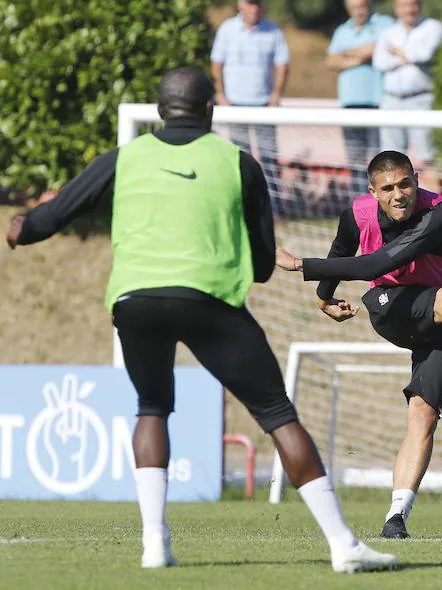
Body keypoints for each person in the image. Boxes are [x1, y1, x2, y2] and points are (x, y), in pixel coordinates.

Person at [5, 67, 396, 573]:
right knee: (277, 412)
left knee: (151, 407)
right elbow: (259, 268)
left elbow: (47, 219)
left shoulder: (123, 159)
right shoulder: (239, 163)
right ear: (211, 110)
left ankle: (154, 544)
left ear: (160, 110)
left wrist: (19, 227)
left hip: (136, 300)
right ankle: (343, 545)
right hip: (209, 299)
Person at [275, 150, 442, 540]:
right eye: (387, 188)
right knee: (440, 299)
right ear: (372, 191)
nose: (398, 194)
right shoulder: (357, 214)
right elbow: (348, 253)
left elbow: (374, 262)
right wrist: (323, 294)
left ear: (417, 180)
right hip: (392, 308)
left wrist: (303, 265)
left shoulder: (439, 215)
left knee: (423, 413)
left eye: (405, 184)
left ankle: (396, 517)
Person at [211, 0, 289, 203]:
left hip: (264, 105)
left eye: (257, 4)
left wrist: (276, 94)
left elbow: (282, 64)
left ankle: (273, 205)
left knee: (269, 157)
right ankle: (243, 201)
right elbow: (217, 63)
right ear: (240, 5)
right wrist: (220, 93)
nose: (254, 8)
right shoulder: (227, 30)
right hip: (235, 104)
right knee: (240, 155)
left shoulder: (273, 31)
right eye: (250, 4)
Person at [326, 0, 395, 195]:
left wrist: (347, 54)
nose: (359, 8)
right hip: (350, 104)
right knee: (355, 160)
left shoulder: (384, 24)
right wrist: (359, 57)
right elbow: (331, 60)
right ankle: (359, 203)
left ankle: (382, 202)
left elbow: (379, 47)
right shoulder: (342, 30)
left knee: (379, 159)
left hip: (377, 102)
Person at [372, 0, 442, 167]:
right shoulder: (388, 32)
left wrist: (397, 52)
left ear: (420, 5)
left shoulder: (433, 27)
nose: (409, 9)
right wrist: (406, 56)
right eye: (404, 4)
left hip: (421, 99)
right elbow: (379, 62)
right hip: (391, 100)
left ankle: (433, 194)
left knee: (426, 155)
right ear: (396, 8)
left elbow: (424, 54)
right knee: (390, 158)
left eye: (413, 4)